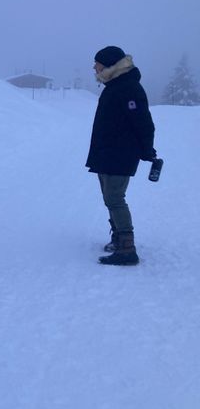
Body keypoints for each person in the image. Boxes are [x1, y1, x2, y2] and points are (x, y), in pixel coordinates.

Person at [86, 46, 156, 266]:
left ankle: (127, 249)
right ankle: (118, 239)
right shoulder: (115, 85)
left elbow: (144, 123)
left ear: (108, 64)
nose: (94, 67)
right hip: (108, 152)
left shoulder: (128, 88)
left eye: (97, 63)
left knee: (115, 198)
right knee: (110, 197)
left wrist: (147, 150)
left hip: (120, 152)